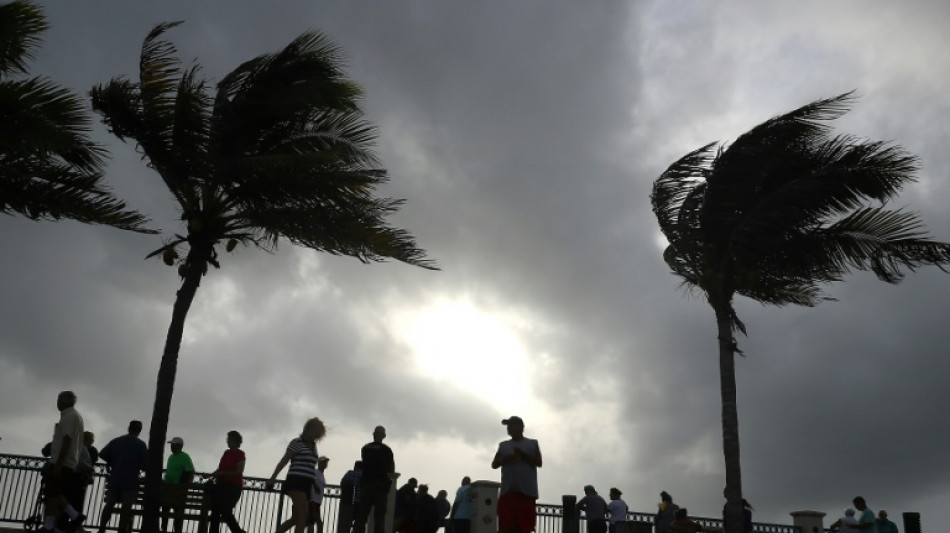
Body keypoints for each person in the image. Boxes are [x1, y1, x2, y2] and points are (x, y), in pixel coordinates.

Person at [266, 417, 327, 533]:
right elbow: (284, 460)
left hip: (306, 485)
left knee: (296, 518)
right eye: (317, 433)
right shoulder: (296, 442)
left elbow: (309, 467)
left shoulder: (313, 446)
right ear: (310, 430)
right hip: (296, 481)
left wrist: (314, 483)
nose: (318, 437)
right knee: (303, 515)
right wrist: (273, 477)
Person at [42, 391, 86, 533]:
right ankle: (75, 516)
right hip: (69, 461)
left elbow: (66, 441)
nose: (57, 403)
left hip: (61, 462)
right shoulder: (76, 416)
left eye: (58, 400)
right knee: (55, 492)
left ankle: (48, 527)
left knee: (52, 494)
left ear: (63, 402)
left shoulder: (68, 416)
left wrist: (58, 464)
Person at [491, 416, 542, 533]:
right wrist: (504, 460)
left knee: (525, 528)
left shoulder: (532, 444)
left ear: (521, 427)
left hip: (527, 493)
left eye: (511, 425)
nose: (508, 428)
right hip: (507, 493)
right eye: (507, 426)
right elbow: (494, 464)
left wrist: (523, 456)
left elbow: (539, 463)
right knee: (505, 528)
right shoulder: (503, 445)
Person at [97, 420, 148, 533]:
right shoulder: (141, 445)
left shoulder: (116, 441)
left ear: (128, 428)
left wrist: (112, 462)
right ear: (139, 431)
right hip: (130, 481)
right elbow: (146, 464)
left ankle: (102, 528)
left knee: (109, 504)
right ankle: (121, 529)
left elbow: (102, 454)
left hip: (115, 478)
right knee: (127, 506)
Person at [354, 426, 395, 533]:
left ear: (373, 434)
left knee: (362, 515)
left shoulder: (365, 448)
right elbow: (391, 469)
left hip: (366, 484)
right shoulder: (387, 450)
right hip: (380, 486)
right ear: (384, 436)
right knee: (379, 516)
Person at [209, 431, 247, 533]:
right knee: (215, 512)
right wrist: (212, 475)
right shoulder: (226, 453)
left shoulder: (240, 454)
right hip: (221, 485)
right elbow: (220, 468)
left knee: (226, 511)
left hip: (233, 487)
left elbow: (239, 472)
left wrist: (222, 473)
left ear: (235, 441)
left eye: (229, 439)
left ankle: (237, 531)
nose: (227, 441)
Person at [161, 436, 196, 533]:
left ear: (179, 446)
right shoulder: (171, 457)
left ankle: (177, 530)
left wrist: (185, 486)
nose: (171, 447)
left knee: (177, 513)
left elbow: (190, 471)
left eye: (173, 445)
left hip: (178, 490)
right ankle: (163, 529)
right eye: (171, 445)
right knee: (165, 511)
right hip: (168, 488)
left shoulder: (185, 457)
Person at [338, 461, 363, 533]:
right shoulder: (365, 476)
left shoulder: (350, 473)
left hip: (348, 502)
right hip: (360, 503)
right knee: (360, 522)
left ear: (355, 466)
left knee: (346, 521)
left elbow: (342, 483)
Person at [307, 456, 330, 533]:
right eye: (323, 462)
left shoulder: (321, 474)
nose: (325, 464)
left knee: (311, 521)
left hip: (317, 501)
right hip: (313, 500)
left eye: (326, 462)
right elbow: (310, 478)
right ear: (319, 463)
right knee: (318, 523)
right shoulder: (315, 472)